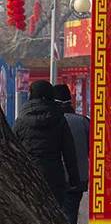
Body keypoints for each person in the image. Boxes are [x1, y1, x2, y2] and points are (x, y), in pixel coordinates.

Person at [13, 80, 80, 215]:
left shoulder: (21, 120)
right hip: (54, 174)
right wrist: (74, 178)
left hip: (28, 173)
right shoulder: (59, 119)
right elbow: (69, 151)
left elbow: (14, 149)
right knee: (54, 214)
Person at [53, 84, 89, 224]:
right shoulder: (83, 122)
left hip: (52, 177)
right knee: (70, 213)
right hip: (78, 178)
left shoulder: (49, 121)